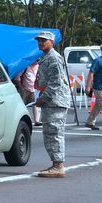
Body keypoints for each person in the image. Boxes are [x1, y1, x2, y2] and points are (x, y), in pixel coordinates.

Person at [34, 31, 70, 178]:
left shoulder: (54, 58)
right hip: (51, 100)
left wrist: (44, 98)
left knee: (54, 132)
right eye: (39, 40)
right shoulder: (46, 57)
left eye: (44, 40)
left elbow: (55, 83)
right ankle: (56, 163)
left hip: (55, 101)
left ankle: (58, 165)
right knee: (51, 132)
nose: (41, 43)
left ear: (51, 42)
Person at [13, 60, 41, 125]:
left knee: (36, 105)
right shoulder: (25, 67)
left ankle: (36, 121)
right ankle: (19, 120)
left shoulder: (38, 67)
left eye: (38, 60)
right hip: (25, 89)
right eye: (36, 60)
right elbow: (17, 78)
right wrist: (21, 88)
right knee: (22, 105)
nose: (37, 61)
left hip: (34, 89)